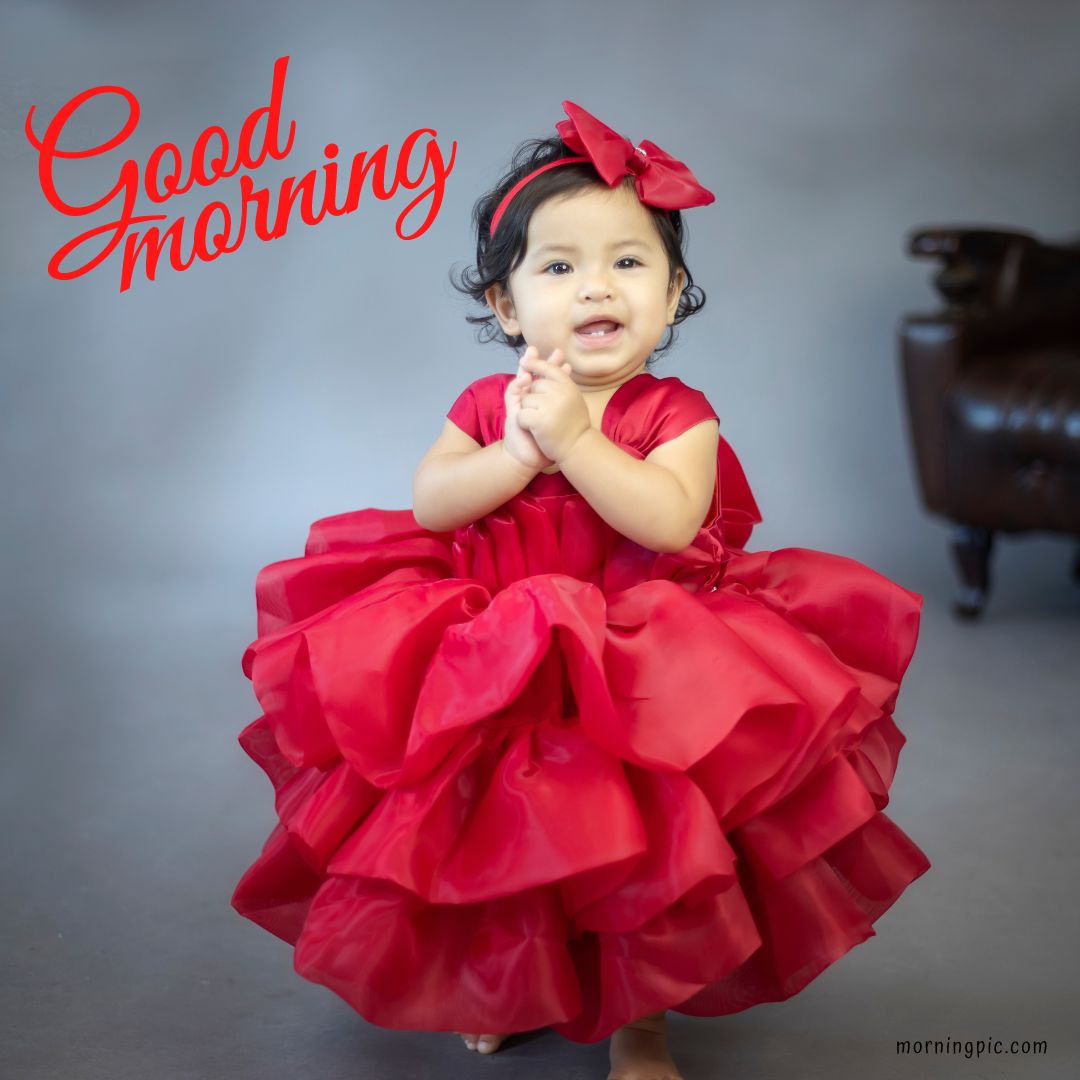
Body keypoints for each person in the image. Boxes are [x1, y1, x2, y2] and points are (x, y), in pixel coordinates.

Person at [231, 102, 931, 1080]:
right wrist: (518, 449)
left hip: (642, 662)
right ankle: (505, 984)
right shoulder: (489, 405)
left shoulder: (676, 413)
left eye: (629, 263)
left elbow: (670, 522)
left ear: (675, 290)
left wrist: (577, 442)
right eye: (558, 266)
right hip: (499, 658)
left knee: (641, 849)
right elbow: (434, 504)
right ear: (509, 306)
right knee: (502, 835)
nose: (596, 285)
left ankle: (640, 1025)